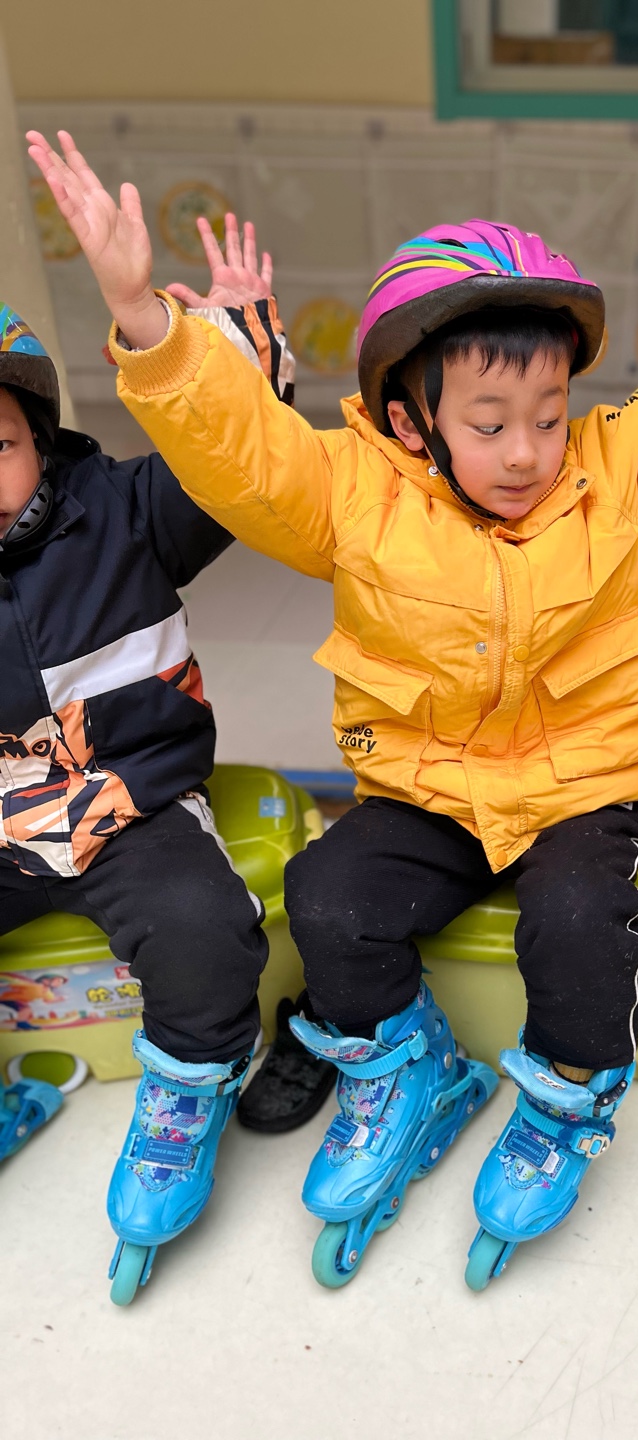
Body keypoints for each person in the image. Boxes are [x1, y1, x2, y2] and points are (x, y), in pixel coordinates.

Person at [28, 90, 638, 1290]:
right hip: (429, 785)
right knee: (329, 895)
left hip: (581, 786)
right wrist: (144, 318)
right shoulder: (349, 495)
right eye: (489, 423)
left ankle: (566, 1101)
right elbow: (241, 454)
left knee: (581, 922)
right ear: (410, 420)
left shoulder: (619, 477)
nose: (528, 450)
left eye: (547, 414)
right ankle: (404, 1065)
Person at [0, 237, 297, 1305]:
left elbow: (234, 466)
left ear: (39, 439)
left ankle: (188, 1088)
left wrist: (238, 350)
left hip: (132, 802)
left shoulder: (122, 513)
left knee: (204, 930)